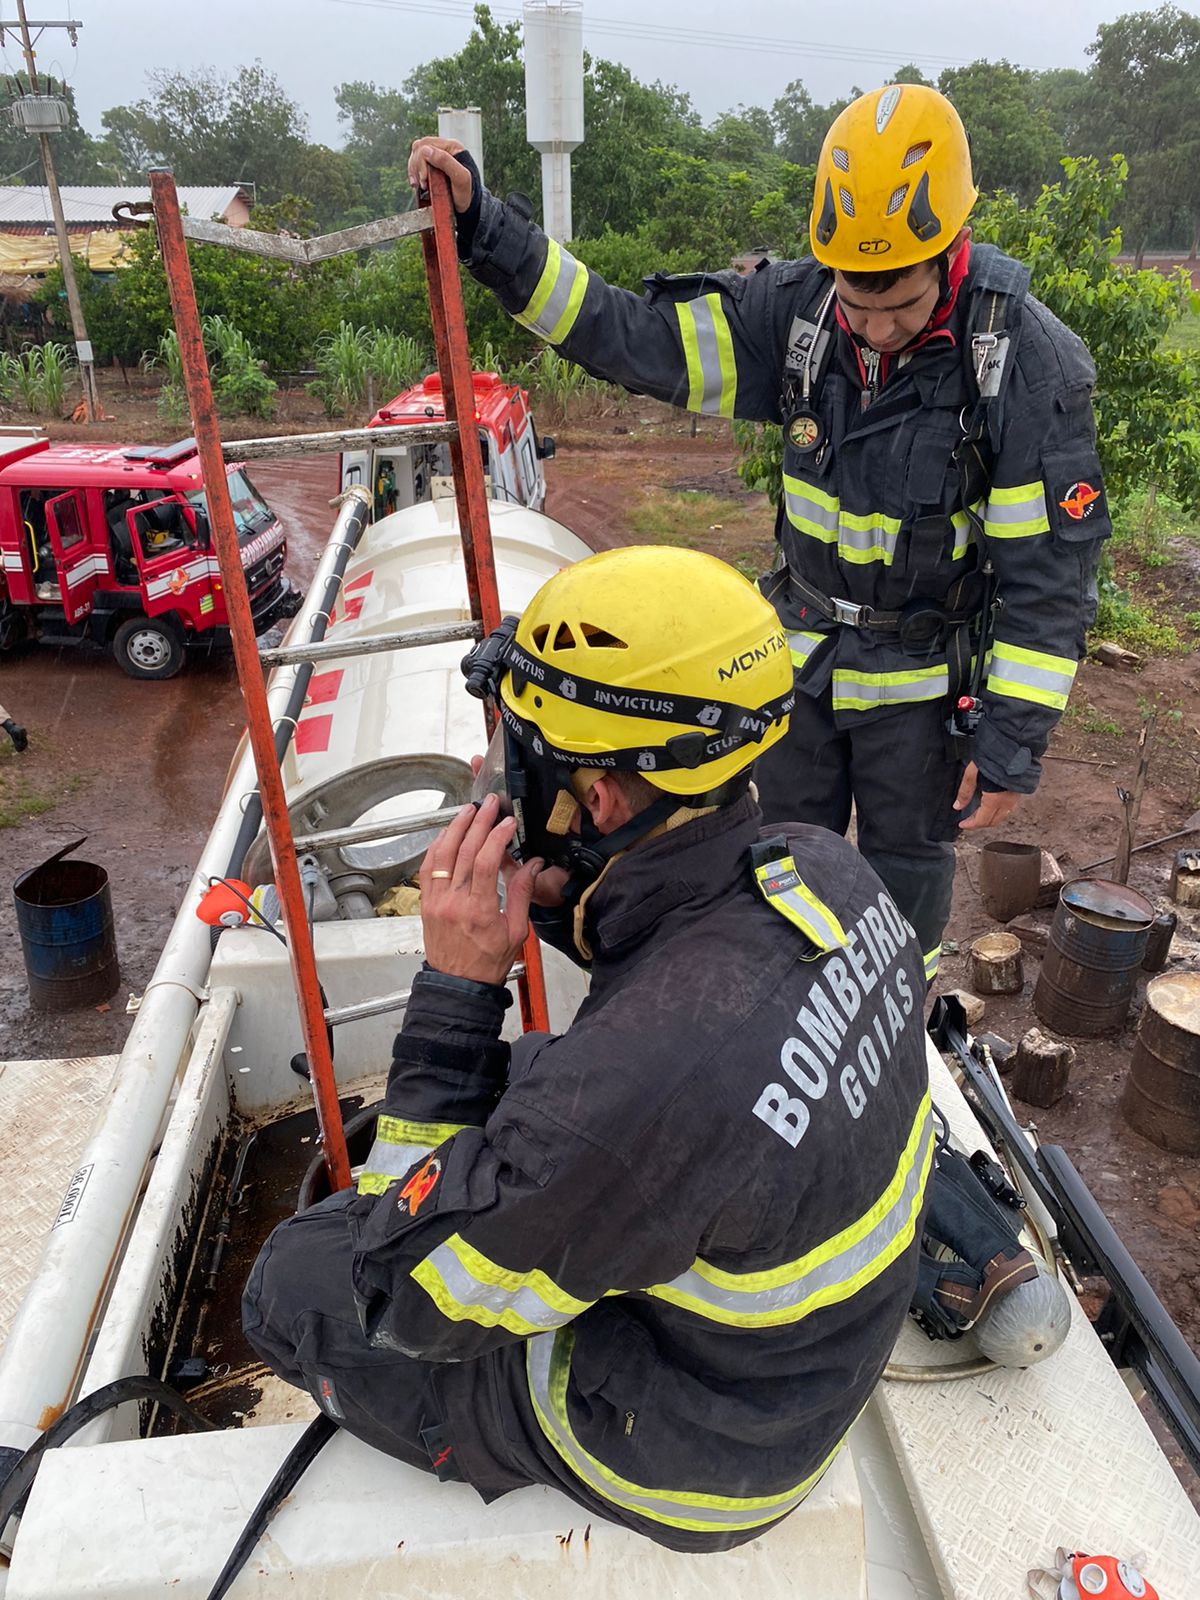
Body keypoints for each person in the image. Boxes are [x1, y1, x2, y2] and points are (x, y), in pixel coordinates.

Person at [243, 546, 933, 1552]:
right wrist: (573, 896)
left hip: (696, 1454)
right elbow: (673, 974)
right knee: (532, 1091)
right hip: (798, 1365)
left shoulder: (633, 1092)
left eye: (524, 757)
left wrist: (456, 994)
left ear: (600, 797)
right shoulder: (824, 866)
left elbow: (405, 1295)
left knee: (300, 1277)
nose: (505, 780)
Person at [408, 83, 1111, 986]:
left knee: (904, 894)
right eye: (855, 301)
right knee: (768, 864)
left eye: (896, 301)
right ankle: (778, 1022)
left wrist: (1010, 743)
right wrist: (487, 231)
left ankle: (895, 1032)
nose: (874, 327)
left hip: (921, 692)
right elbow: (629, 336)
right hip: (800, 670)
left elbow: (1047, 580)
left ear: (951, 251)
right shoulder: (796, 317)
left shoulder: (1024, 361)